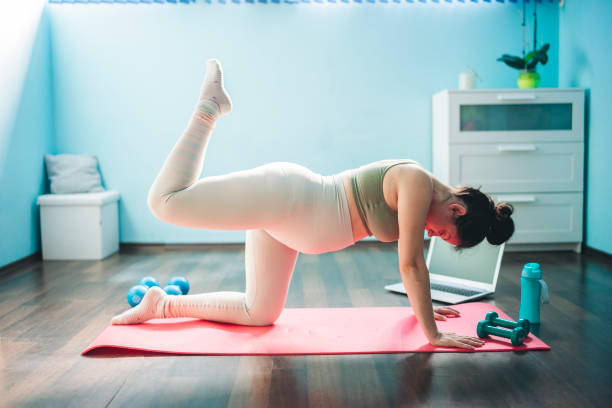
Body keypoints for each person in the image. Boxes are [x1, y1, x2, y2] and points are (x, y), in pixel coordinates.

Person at [111, 59, 515, 350]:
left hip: (290, 224)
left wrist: (425, 308)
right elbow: (411, 263)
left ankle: (160, 305)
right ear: (457, 209)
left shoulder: (423, 192)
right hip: (288, 200)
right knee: (165, 203)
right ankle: (209, 108)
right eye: (442, 231)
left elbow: (414, 267)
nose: (432, 234)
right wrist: (433, 332)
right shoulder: (416, 183)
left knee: (259, 312)